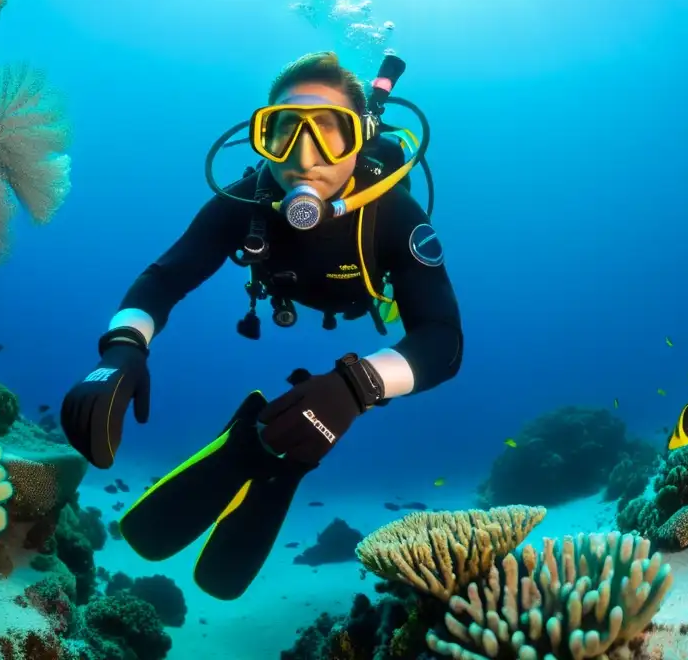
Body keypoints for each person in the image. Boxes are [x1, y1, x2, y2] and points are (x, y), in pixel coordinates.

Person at [60, 51, 463, 600]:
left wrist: (355, 385)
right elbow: (163, 278)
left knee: (348, 384)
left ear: (363, 140)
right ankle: (271, 441)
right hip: (287, 290)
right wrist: (123, 349)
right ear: (261, 136)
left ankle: (281, 445)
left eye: (331, 134)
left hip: (357, 299)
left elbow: (441, 340)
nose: (303, 158)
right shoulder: (243, 202)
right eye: (282, 131)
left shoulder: (394, 214)